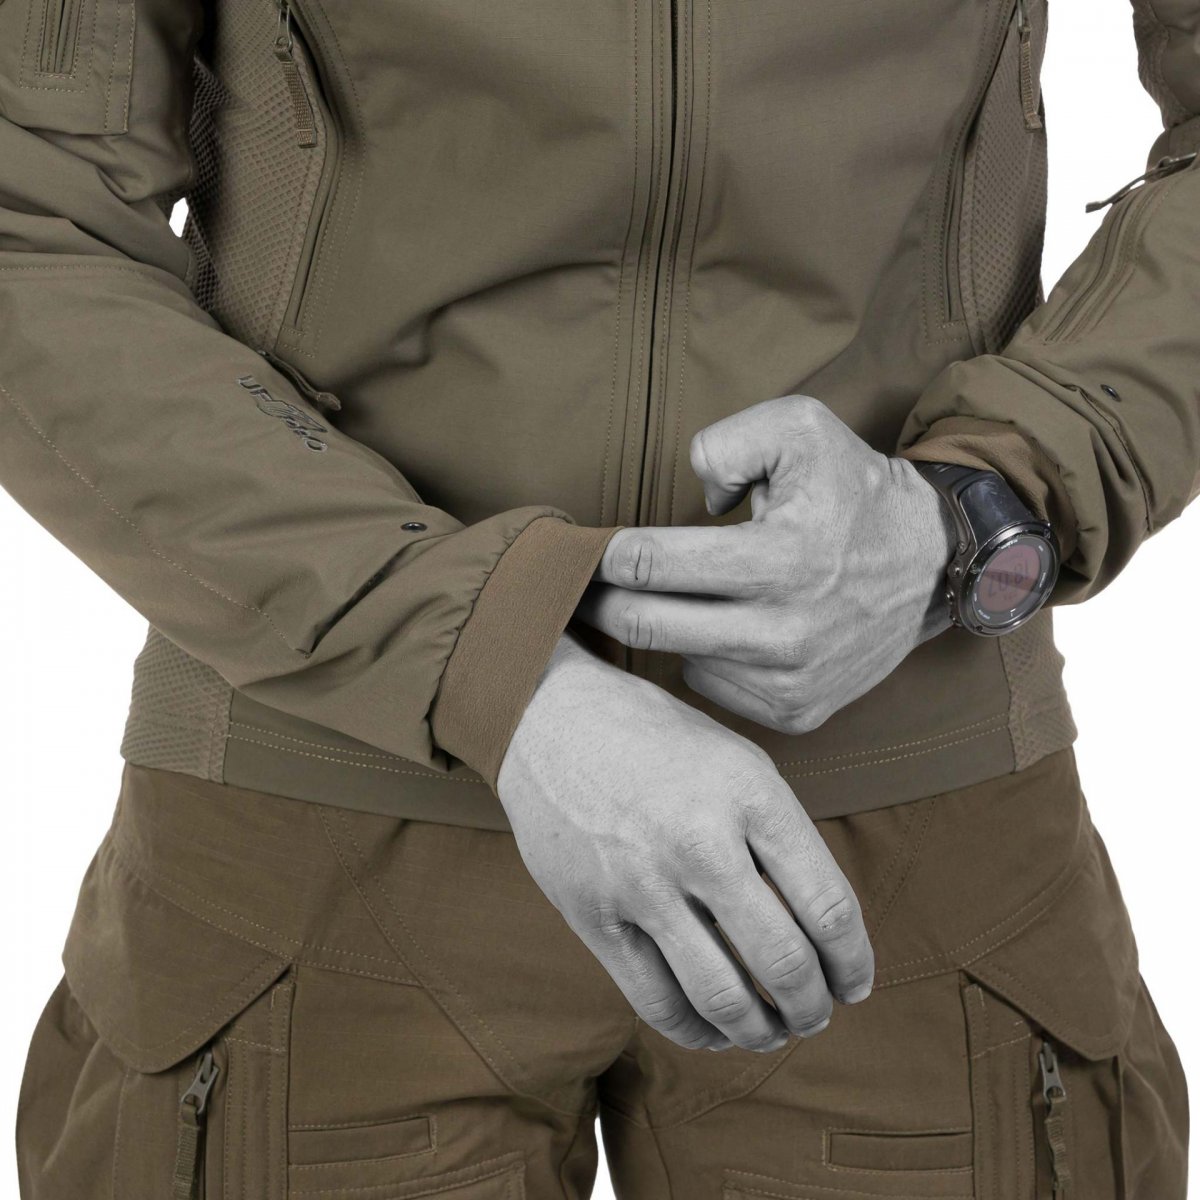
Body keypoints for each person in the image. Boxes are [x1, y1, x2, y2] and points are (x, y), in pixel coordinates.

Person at [5, 0, 1192, 1195]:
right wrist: (486, 662)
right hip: (319, 821)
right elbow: (29, 212)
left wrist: (971, 505)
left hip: (911, 822)